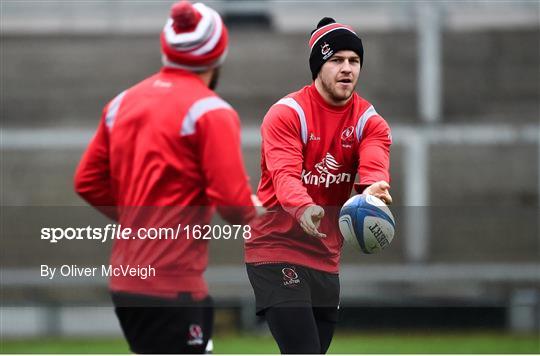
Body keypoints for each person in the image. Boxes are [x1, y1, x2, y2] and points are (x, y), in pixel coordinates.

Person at [74, 1, 258, 353]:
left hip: (126, 282)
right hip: (173, 287)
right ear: (218, 54)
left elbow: (87, 182)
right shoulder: (211, 111)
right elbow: (234, 206)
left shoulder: (121, 102)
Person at [245, 17, 393, 354]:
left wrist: (371, 190)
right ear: (318, 66)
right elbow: (284, 174)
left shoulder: (370, 122)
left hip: (326, 257)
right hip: (275, 248)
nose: (347, 69)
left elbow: (373, 163)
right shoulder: (288, 113)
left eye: (354, 61)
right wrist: (303, 206)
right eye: (336, 60)